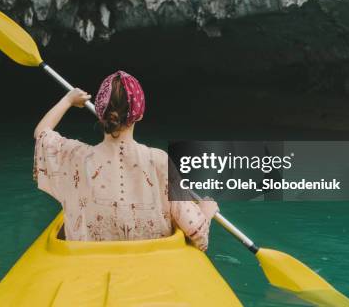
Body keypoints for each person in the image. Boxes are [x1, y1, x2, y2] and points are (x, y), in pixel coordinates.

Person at [33, 71, 219, 251]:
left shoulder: (76, 157)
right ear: (140, 114)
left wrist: (68, 100)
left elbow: (41, 133)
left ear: (100, 113)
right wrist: (206, 211)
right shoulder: (160, 160)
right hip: (150, 262)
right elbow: (195, 229)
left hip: (88, 262)